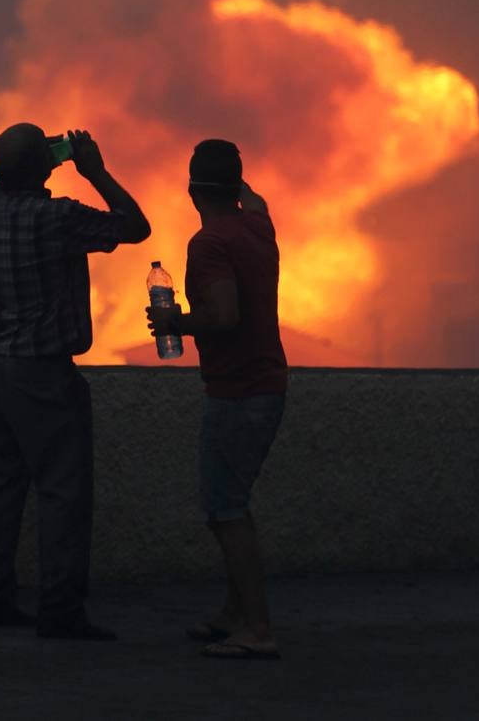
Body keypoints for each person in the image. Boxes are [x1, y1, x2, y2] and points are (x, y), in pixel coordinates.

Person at [0, 123, 150, 640]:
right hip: (42, 371)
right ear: (44, 165)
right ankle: (61, 608)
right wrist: (95, 171)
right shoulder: (56, 218)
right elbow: (134, 227)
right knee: (62, 491)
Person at [147, 138, 288, 660]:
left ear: (190, 189)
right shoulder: (256, 224)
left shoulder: (209, 244)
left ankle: (257, 628)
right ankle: (234, 614)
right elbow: (255, 198)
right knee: (232, 506)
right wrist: (237, 188)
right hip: (267, 384)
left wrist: (174, 322)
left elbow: (224, 315)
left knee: (226, 510)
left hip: (237, 391)